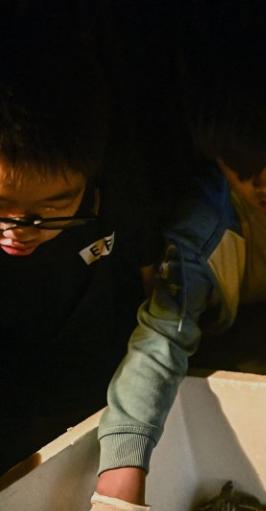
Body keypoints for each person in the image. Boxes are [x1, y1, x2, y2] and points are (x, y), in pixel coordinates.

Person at [57, 41, 266, 511]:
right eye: (243, 169)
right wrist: (120, 487)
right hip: (244, 363)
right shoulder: (202, 229)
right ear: (219, 163)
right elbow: (160, 340)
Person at [0, 29, 157, 475]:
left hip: (101, 398)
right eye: (1, 207)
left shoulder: (120, 191)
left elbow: (155, 302)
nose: (19, 231)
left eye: (52, 207)